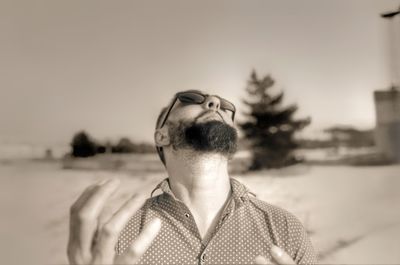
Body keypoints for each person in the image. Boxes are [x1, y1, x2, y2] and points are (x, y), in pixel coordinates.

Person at [67, 90, 317, 265]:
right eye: (191, 98)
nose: (214, 103)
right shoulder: (119, 237)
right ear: (161, 136)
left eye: (226, 106)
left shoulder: (285, 228)